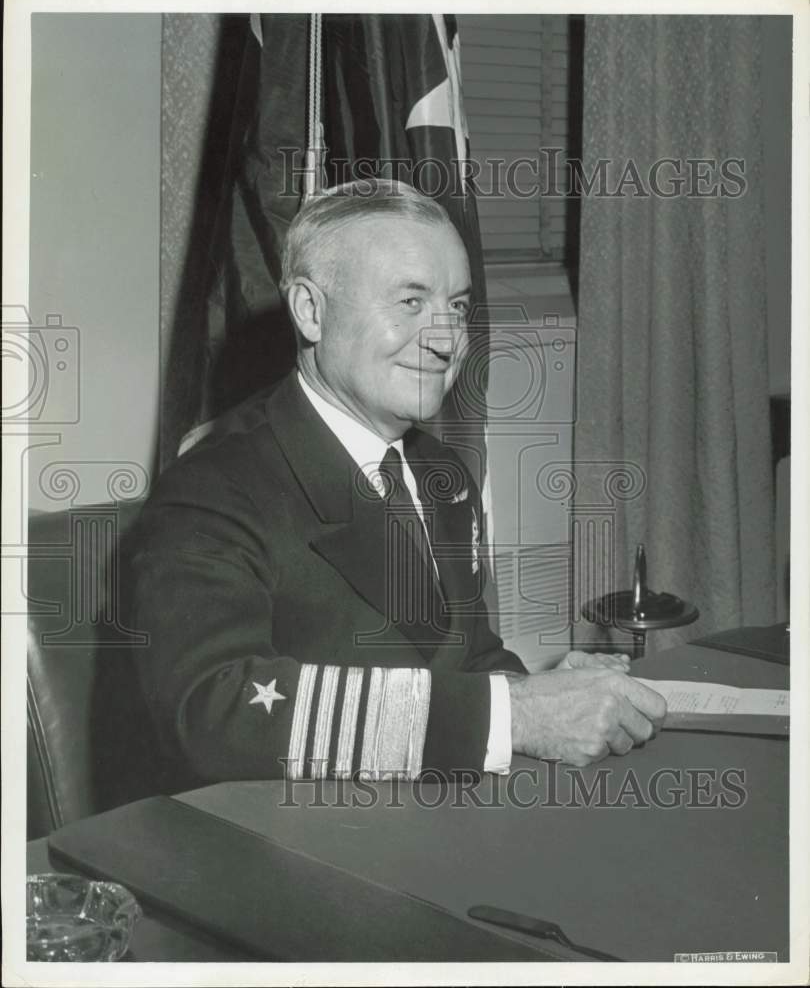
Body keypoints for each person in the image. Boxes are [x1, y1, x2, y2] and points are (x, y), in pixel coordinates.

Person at [130, 178, 665, 787]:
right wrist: (511, 716)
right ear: (311, 311)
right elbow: (213, 711)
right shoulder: (212, 490)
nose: (446, 341)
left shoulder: (443, 474)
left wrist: (541, 691)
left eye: (457, 307)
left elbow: (464, 658)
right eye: (410, 302)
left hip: (434, 819)